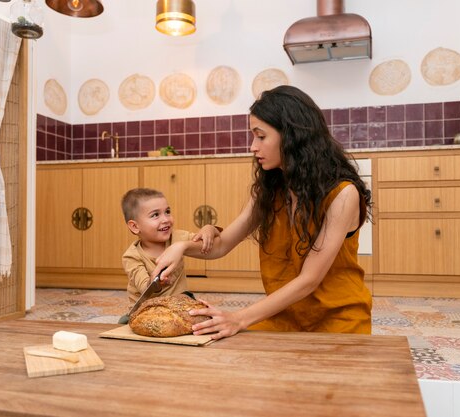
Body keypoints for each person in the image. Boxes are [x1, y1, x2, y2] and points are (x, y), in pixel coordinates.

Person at [153, 85, 373, 340]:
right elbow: (221, 245)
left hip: (340, 319)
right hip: (282, 316)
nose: (253, 146)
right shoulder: (269, 190)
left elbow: (310, 280)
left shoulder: (343, 194)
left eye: (261, 136)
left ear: (292, 136)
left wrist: (239, 318)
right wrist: (180, 248)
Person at [117, 187, 219, 324]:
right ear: (135, 227)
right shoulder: (131, 256)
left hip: (179, 302)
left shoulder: (179, 237)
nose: (166, 219)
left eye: (167, 212)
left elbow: (210, 241)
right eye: (155, 215)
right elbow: (143, 286)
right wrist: (156, 282)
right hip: (147, 309)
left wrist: (209, 229)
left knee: (204, 316)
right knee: (125, 323)